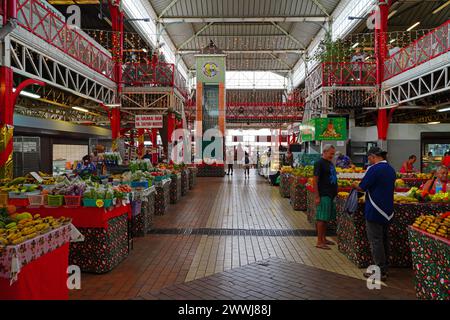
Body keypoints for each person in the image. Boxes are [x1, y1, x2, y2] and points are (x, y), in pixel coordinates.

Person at [352, 147, 396, 281]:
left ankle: (379, 271)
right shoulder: (390, 169)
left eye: (369, 158)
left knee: (376, 241)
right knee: (384, 240)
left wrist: (354, 185)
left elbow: (362, 187)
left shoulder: (374, 169)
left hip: (375, 210)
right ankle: (385, 268)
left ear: (373, 156)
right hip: (388, 210)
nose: (368, 160)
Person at [313, 144, 338, 250]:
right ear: (325, 151)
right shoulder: (319, 163)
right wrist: (317, 196)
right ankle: (319, 241)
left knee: (326, 218)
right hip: (324, 194)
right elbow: (315, 180)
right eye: (331, 153)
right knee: (321, 218)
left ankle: (323, 238)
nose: (332, 155)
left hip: (331, 194)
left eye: (333, 153)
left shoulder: (330, 163)